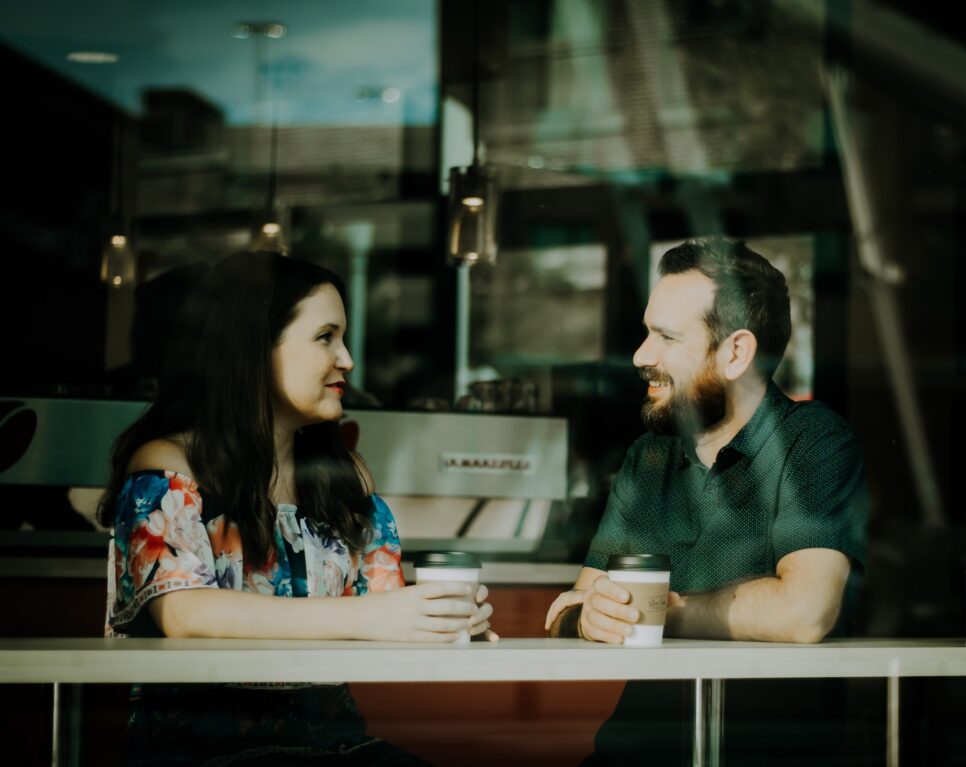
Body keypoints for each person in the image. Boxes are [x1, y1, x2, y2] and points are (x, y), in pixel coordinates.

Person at [99, 251, 496, 767]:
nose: (347, 359)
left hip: (335, 744)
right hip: (203, 751)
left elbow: (382, 608)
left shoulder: (344, 476)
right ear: (254, 349)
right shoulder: (167, 466)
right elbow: (184, 613)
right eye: (325, 337)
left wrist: (444, 620)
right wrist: (375, 615)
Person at [544, 238, 868, 765]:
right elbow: (574, 606)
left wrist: (661, 613)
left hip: (765, 753)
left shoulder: (813, 443)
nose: (640, 356)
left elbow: (805, 613)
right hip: (635, 751)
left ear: (736, 352)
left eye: (666, 337)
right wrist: (586, 619)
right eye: (647, 331)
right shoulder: (650, 456)